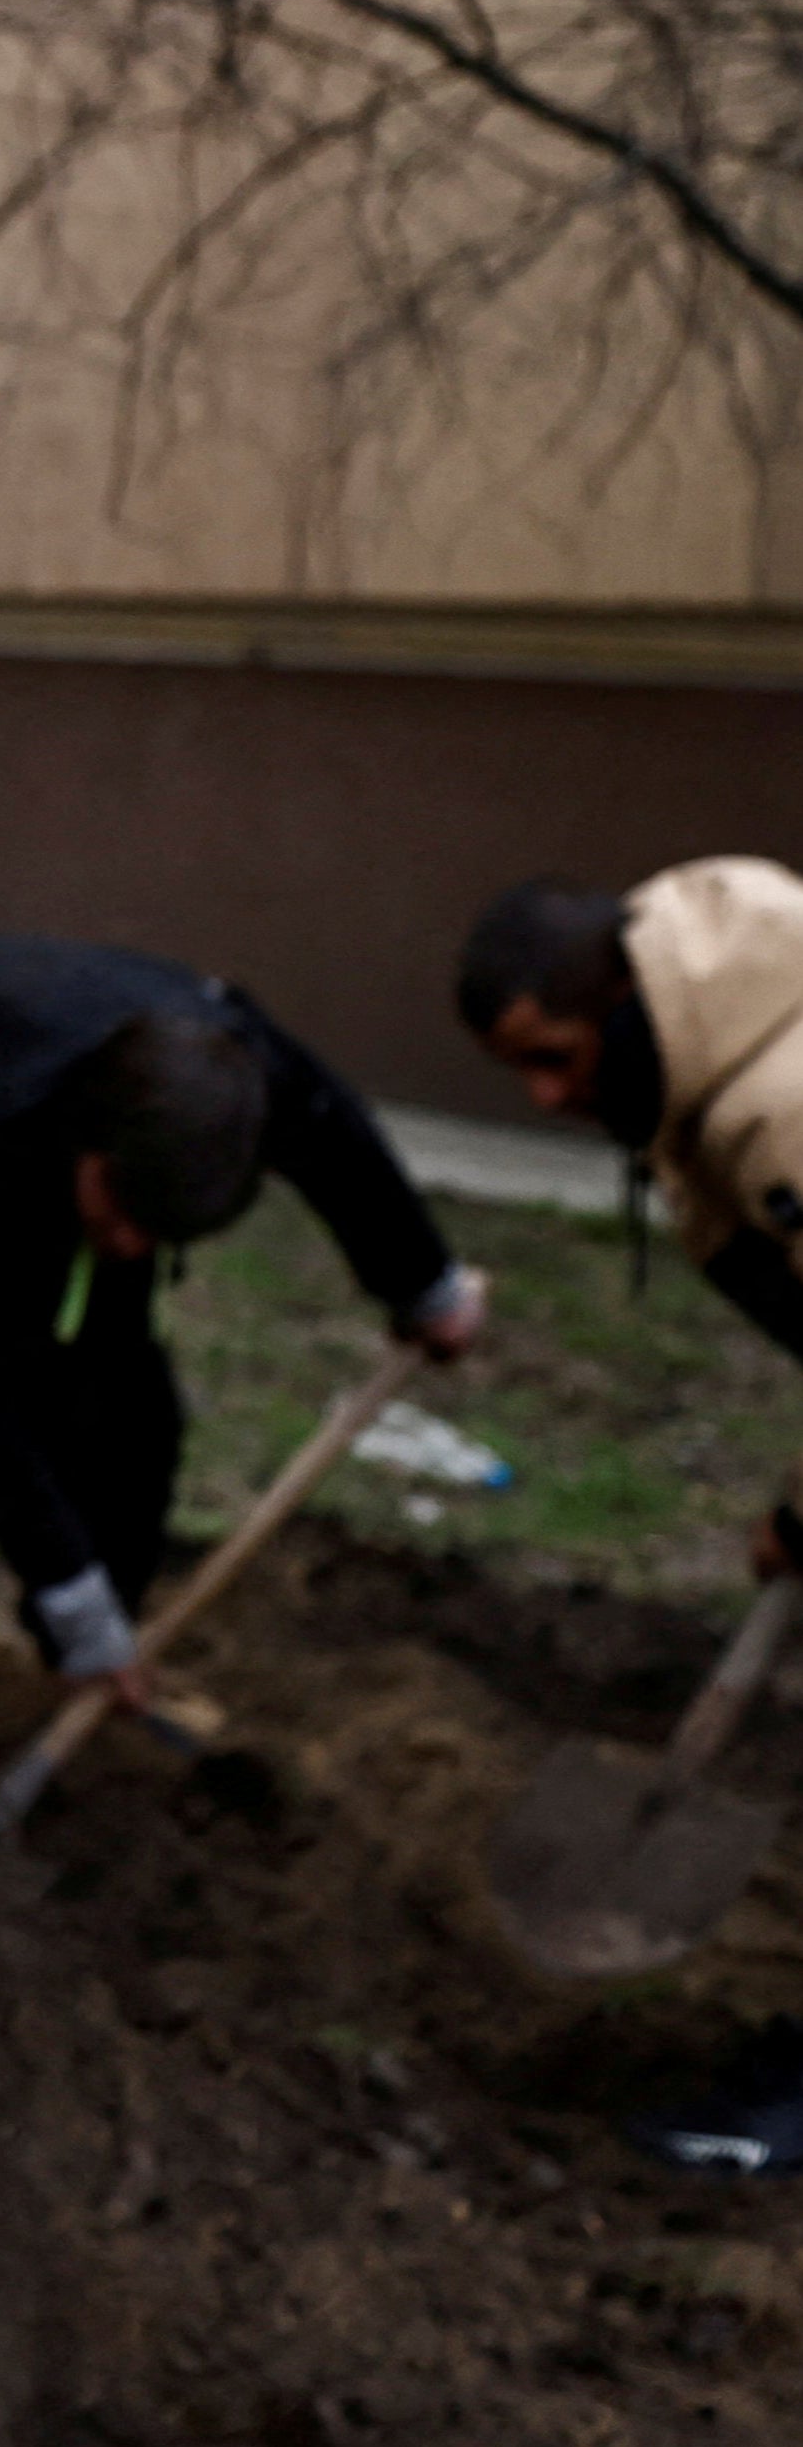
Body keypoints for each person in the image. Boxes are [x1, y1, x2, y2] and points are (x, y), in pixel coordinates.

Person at [0, 935, 484, 1791]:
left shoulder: (235, 1076)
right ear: (90, 1149)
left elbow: (335, 1137)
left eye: (162, 1230)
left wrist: (424, 1287)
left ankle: (90, 1658)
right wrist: (71, 1594)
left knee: (135, 1409)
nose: (134, 1245)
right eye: (125, 1215)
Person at [459, 864, 803, 2175]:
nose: (548, 1100)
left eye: (556, 1058)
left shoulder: (786, 1109)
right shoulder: (723, 1046)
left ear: (624, 997)